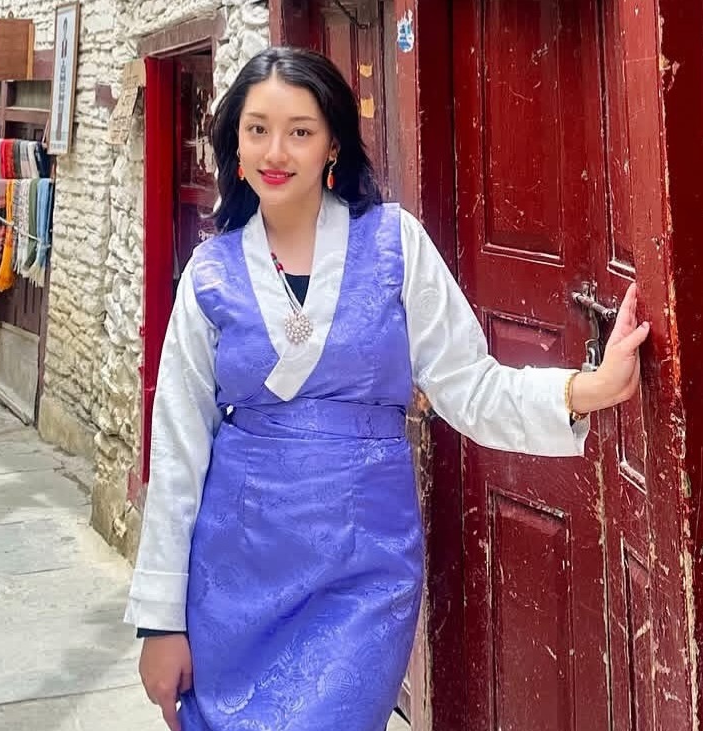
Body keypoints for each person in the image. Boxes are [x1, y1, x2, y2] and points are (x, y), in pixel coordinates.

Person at [129, 47, 651, 731]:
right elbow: (176, 451)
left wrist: (588, 388)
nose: (275, 151)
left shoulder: (393, 244)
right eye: (257, 129)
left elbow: (469, 385)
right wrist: (160, 621)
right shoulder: (209, 273)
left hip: (362, 568)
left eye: (299, 131)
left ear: (333, 144)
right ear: (235, 142)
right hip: (235, 573)